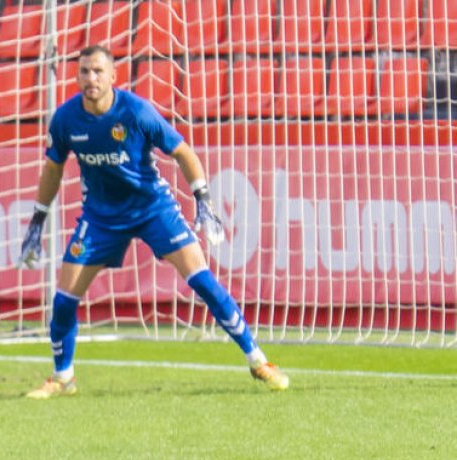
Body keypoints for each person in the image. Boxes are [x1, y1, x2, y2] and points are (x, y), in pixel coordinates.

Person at [18, 45, 289, 398]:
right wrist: (38, 218)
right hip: (101, 216)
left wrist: (203, 199)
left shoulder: (137, 111)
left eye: (98, 71)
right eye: (84, 71)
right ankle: (62, 376)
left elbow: (182, 152)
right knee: (65, 297)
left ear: (114, 76)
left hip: (152, 208)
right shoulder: (66, 118)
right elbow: (53, 168)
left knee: (203, 280)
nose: (91, 78)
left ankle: (259, 361)